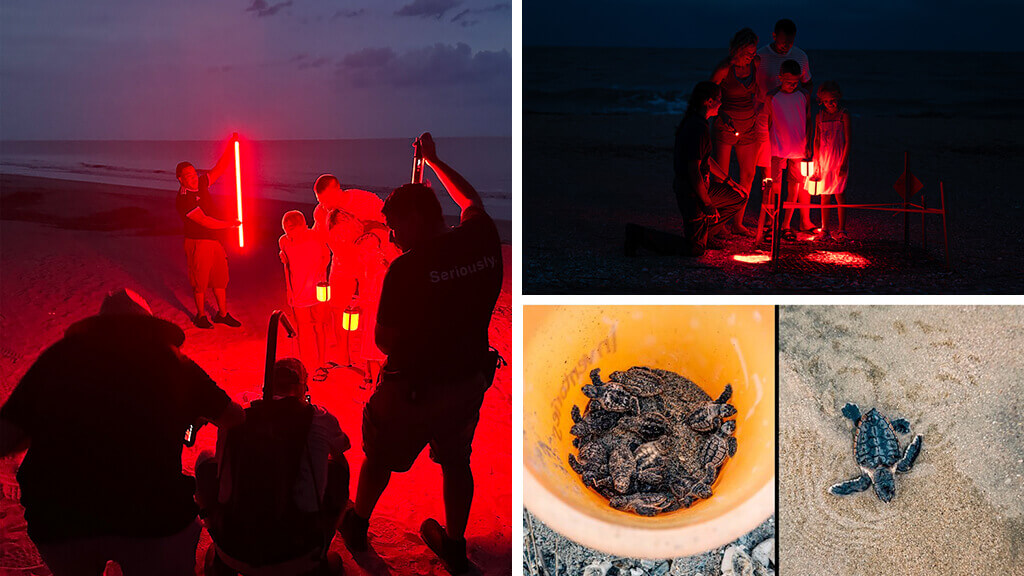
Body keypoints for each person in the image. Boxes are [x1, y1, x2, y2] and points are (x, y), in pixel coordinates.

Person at [339, 133, 502, 575]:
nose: (391, 236)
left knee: (379, 455)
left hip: (414, 389)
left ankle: (358, 522)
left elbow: (384, 342)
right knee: (456, 461)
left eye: (394, 225)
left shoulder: (406, 268)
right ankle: (453, 542)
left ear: (414, 218)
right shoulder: (482, 236)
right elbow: (470, 198)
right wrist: (434, 161)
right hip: (468, 381)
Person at [0, 288, 245, 576]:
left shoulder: (60, 358)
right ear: (150, 328)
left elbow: (7, 437)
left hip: (61, 518)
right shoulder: (174, 362)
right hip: (151, 516)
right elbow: (235, 418)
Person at [197, 358, 350, 575]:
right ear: (304, 388)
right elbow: (343, 446)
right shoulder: (319, 416)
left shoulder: (238, 410)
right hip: (299, 551)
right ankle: (321, 548)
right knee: (338, 467)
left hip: (233, 545)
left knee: (206, 457)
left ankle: (220, 544)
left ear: (265, 387)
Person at [624, 82, 747, 257]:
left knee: (739, 196)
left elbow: (706, 160)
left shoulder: (699, 121)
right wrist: (707, 204)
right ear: (709, 101)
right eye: (719, 99)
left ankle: (706, 235)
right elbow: (694, 171)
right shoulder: (697, 129)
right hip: (691, 193)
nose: (721, 103)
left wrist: (730, 182)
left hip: (702, 188)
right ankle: (639, 235)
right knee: (694, 249)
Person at [175, 144, 243, 329]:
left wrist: (232, 147)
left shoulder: (202, 183)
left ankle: (222, 314)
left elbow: (219, 168)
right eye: (188, 176)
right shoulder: (183, 199)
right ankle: (200, 316)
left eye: (194, 173)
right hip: (198, 242)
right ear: (180, 179)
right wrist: (230, 224)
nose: (193, 178)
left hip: (214, 241)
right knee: (200, 281)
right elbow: (205, 221)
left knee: (220, 278)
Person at [711, 28, 765, 237]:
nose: (751, 56)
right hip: (726, 125)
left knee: (749, 174)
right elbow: (708, 94)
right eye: (747, 53)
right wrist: (720, 114)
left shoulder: (756, 64)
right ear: (738, 49)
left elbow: (758, 88)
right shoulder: (724, 68)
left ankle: (738, 222)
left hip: (749, 123)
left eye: (753, 53)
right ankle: (719, 223)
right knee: (721, 176)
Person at [279, 211, 332, 380]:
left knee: (319, 326)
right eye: (286, 229)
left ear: (303, 225)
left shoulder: (315, 237)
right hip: (298, 290)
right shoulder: (284, 241)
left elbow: (327, 256)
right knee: (302, 330)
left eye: (292, 228)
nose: (288, 232)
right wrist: (289, 290)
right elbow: (286, 267)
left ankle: (321, 363)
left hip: (318, 290)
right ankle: (304, 365)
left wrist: (320, 273)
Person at [767, 59, 816, 239]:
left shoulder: (803, 95)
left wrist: (808, 143)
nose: (792, 85)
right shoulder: (772, 96)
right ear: (780, 78)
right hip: (777, 147)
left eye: (795, 82)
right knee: (775, 187)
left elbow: (809, 120)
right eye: (788, 82)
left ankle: (786, 224)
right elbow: (768, 122)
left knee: (795, 186)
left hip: (798, 147)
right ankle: (774, 223)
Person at [755, 19, 813, 171]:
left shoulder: (800, 56)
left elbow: (807, 82)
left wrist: (802, 105)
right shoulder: (760, 56)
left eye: (790, 42)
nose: (786, 46)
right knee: (769, 164)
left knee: (796, 162)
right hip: (765, 113)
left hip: (791, 116)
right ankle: (769, 192)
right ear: (774, 36)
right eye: (782, 42)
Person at [325, 209, 365, 368]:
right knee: (346, 316)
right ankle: (346, 355)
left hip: (344, 276)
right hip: (346, 275)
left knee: (342, 316)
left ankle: (345, 356)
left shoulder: (337, 232)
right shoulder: (354, 229)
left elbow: (342, 251)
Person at [812, 81, 851, 241]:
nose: (831, 103)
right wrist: (816, 163)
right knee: (824, 194)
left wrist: (844, 162)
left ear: (839, 97)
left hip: (838, 157)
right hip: (823, 158)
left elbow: (848, 140)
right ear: (822, 101)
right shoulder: (819, 116)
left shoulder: (844, 114)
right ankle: (825, 229)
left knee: (839, 193)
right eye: (827, 101)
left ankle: (842, 229)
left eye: (833, 99)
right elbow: (816, 139)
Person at [354, 230, 392, 386]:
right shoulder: (370, 269)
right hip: (370, 317)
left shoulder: (380, 272)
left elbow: (379, 299)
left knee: (376, 355)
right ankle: (373, 384)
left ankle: (377, 389)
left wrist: (362, 302)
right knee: (371, 355)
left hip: (376, 319)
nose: (361, 258)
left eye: (363, 254)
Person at [312, 174, 385, 239]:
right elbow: (316, 238)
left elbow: (387, 225)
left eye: (327, 200)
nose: (325, 206)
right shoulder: (320, 211)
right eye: (321, 201)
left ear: (338, 190)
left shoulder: (366, 200)